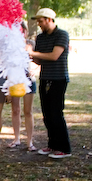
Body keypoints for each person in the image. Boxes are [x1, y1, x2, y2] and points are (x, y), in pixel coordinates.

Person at [28, 8, 71, 159]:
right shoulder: (40, 38)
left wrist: (33, 53)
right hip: (45, 78)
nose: (39, 24)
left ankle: (64, 148)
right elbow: (39, 59)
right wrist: (28, 54)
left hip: (58, 78)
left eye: (41, 21)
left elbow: (54, 56)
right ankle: (52, 144)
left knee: (56, 113)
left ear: (49, 20)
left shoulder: (62, 34)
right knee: (47, 114)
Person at [10, 20, 37, 151]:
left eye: (22, 31)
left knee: (28, 111)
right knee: (15, 110)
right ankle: (17, 139)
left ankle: (29, 141)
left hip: (29, 81)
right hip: (15, 81)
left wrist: (35, 68)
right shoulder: (10, 45)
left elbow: (38, 60)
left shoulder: (31, 44)